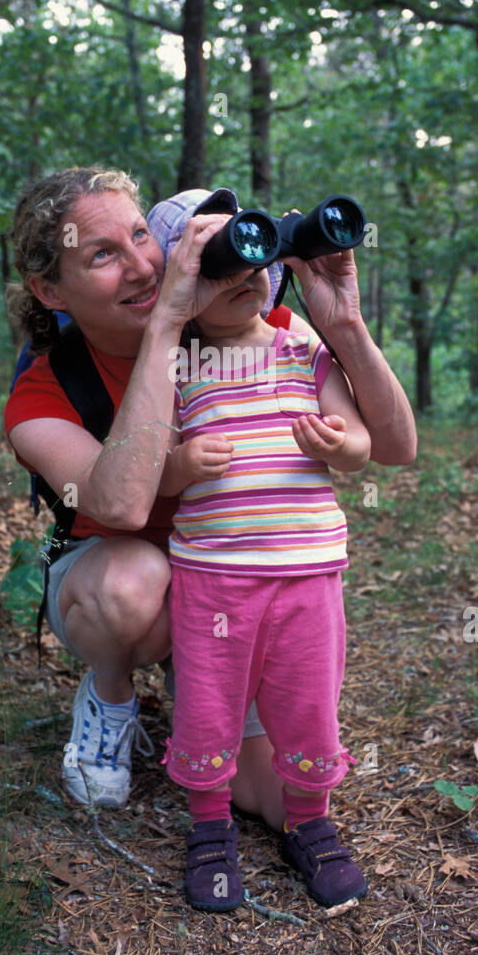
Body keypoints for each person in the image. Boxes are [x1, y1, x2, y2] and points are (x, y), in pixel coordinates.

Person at [4, 166, 417, 830]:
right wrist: (166, 324)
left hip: (235, 588)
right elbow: (123, 507)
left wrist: (344, 325)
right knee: (137, 578)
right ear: (49, 288)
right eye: (102, 255)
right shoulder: (43, 393)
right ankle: (110, 695)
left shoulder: (245, 327)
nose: (142, 267)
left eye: (142, 236)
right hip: (118, 581)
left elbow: (395, 448)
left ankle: (200, 682)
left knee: (280, 805)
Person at [148, 195, 372, 911]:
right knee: (208, 708)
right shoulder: (180, 365)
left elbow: (362, 444)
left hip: (308, 573)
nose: (243, 276)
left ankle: (311, 820)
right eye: (217, 269)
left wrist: (344, 444)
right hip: (215, 578)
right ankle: (210, 827)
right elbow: (152, 474)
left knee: (309, 705)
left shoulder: (303, 346)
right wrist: (184, 466)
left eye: (253, 263)